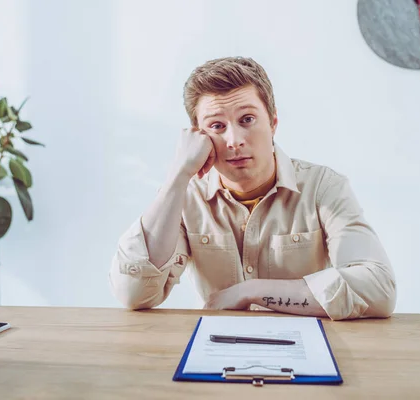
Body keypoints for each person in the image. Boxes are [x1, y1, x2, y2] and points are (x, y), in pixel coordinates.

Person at [109, 56, 396, 320]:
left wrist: (251, 290)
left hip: (308, 350)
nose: (234, 140)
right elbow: (134, 294)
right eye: (217, 126)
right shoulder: (186, 196)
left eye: (247, 120)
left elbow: (378, 288)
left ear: (272, 124)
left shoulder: (323, 187)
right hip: (215, 349)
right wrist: (178, 174)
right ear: (198, 136)